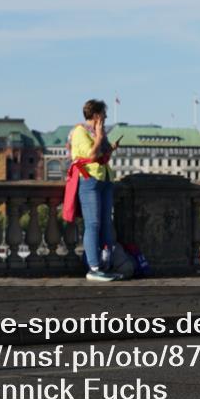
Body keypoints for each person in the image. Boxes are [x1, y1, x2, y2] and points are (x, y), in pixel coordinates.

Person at [69, 99, 123, 282]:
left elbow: (102, 153)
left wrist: (110, 147)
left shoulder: (99, 132)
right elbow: (91, 155)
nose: (106, 117)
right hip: (89, 181)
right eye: (104, 114)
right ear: (96, 115)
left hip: (105, 180)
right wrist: (99, 137)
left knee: (106, 222)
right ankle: (93, 267)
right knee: (93, 224)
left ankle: (105, 265)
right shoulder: (80, 132)